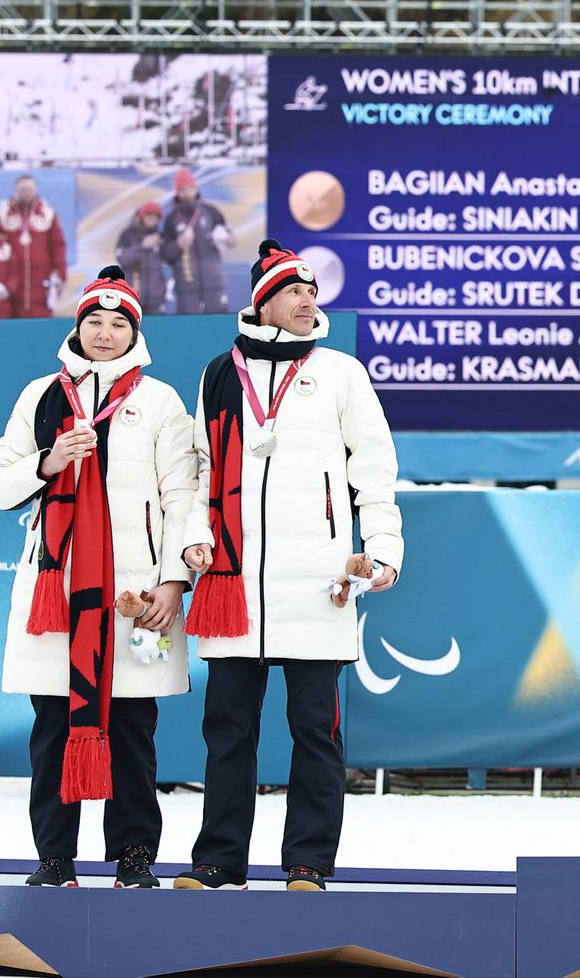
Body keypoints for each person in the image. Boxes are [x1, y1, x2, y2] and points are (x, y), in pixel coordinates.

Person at [175, 240, 404, 891]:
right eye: (294, 291)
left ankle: (308, 861)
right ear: (264, 302)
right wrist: (196, 537)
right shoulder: (220, 373)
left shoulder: (339, 372)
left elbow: (375, 471)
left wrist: (383, 550)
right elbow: (201, 473)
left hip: (318, 582)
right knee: (227, 731)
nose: (309, 300)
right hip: (233, 584)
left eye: (312, 291)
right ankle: (218, 860)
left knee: (314, 731)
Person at [0, 266, 198, 888]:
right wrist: (47, 462)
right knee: (53, 727)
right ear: (77, 328)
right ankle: (55, 857)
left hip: (133, 594)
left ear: (135, 332)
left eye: (118, 323)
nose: (104, 333)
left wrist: (171, 582)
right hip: (56, 590)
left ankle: (135, 856)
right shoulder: (42, 394)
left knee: (133, 729)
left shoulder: (158, 400)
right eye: (94, 322)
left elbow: (182, 493)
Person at [160, 169, 236, 314]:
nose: (187, 193)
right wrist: (179, 244)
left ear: (196, 189)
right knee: (190, 326)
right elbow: (165, 254)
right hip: (187, 286)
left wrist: (226, 239)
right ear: (177, 192)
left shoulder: (211, 211)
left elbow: (231, 239)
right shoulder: (172, 218)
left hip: (214, 282)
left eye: (190, 188)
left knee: (217, 323)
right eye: (183, 190)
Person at [0, 174, 68, 318]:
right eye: (22, 189)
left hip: (41, 281)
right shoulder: (4, 215)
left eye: (29, 189)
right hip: (14, 282)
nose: (26, 192)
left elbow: (58, 246)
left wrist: (60, 274)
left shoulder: (48, 214)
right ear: (16, 190)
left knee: (41, 321)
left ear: (35, 189)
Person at [115, 201, 172, 317]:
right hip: (132, 296)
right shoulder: (128, 234)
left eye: (156, 217)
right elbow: (122, 258)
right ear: (142, 216)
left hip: (155, 299)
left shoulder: (159, 236)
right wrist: (142, 246)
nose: (152, 220)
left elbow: (170, 256)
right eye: (149, 216)